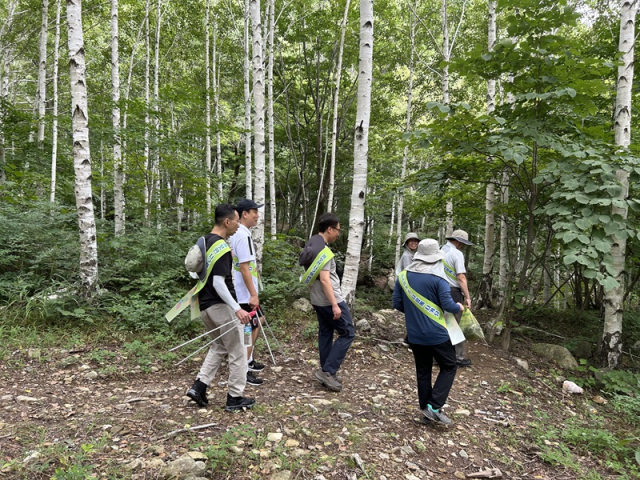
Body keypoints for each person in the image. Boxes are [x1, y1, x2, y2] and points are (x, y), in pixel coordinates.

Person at [186, 204, 255, 411]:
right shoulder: (222, 248)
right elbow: (218, 282)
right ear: (227, 222)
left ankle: (199, 386)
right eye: (236, 221)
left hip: (204, 305)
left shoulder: (205, 242)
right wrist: (237, 308)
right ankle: (235, 397)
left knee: (219, 346)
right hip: (221, 307)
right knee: (239, 351)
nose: (237, 225)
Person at [392, 238, 464, 425]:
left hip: (415, 334)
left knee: (423, 371)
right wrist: (459, 307)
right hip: (437, 333)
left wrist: (415, 313)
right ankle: (434, 406)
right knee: (449, 366)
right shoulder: (439, 279)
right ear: (435, 258)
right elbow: (448, 305)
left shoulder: (403, 277)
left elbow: (397, 304)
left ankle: (426, 410)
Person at [299, 213, 355, 392]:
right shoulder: (324, 251)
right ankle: (329, 371)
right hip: (330, 299)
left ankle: (325, 370)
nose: (338, 233)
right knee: (347, 332)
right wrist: (335, 304)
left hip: (316, 299)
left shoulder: (312, 243)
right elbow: (325, 280)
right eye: (338, 229)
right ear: (330, 229)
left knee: (326, 331)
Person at [228, 199, 265, 387]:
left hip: (242, 291)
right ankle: (244, 367)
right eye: (254, 211)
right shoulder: (242, 235)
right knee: (251, 326)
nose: (257, 215)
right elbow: (244, 267)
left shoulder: (239, 233)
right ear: (244, 214)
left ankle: (247, 361)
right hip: (244, 293)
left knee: (255, 324)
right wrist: (253, 294)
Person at [441, 229, 473, 367]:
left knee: (443, 323)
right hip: (453, 292)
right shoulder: (457, 254)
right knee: (454, 326)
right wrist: (467, 296)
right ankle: (457, 358)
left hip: (438, 290)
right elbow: (460, 277)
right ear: (459, 242)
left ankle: (440, 356)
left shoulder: (440, 250)